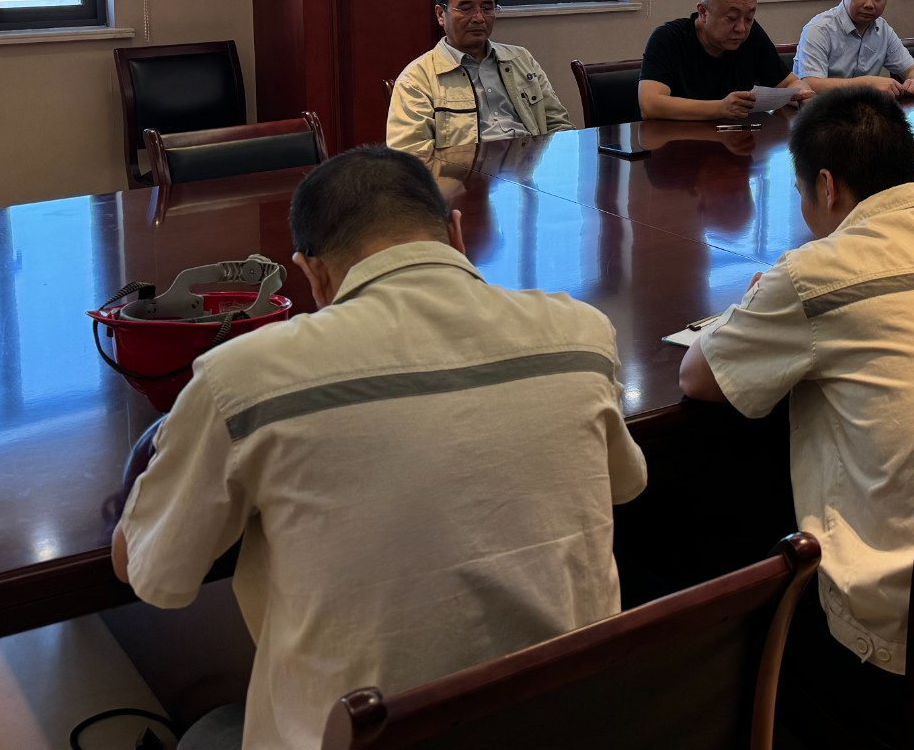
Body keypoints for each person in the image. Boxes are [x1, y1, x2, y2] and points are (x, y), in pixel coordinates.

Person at [113, 148, 647, 750]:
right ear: (456, 234)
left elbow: (147, 569)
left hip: (362, 736)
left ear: (312, 273)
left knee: (210, 733)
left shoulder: (242, 378)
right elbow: (624, 483)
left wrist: (177, 441)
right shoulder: (581, 333)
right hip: (573, 720)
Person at [679, 89, 914, 712]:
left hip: (912, 641)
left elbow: (698, 376)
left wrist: (758, 301)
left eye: (801, 193)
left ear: (826, 186)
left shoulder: (814, 273)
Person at [387, 0, 571, 157]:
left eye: (487, 8)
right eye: (466, 9)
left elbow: (558, 125)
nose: (478, 18)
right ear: (441, 14)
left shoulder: (521, 59)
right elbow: (411, 155)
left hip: (530, 167)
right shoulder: (417, 79)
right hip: (464, 173)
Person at [638, 0, 813, 121]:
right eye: (731, 18)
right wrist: (719, 108)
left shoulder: (751, 36)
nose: (741, 28)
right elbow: (649, 104)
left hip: (734, 141)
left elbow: (789, 83)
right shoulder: (668, 38)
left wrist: (805, 97)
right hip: (674, 141)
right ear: (703, 12)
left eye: (749, 18)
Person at [793, 0, 914, 97]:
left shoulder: (883, 30)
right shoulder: (818, 29)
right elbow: (811, 85)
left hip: (865, 109)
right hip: (821, 109)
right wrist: (867, 84)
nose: (869, 4)